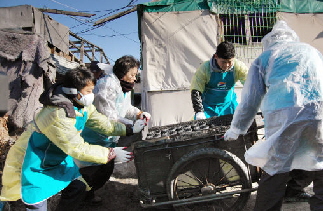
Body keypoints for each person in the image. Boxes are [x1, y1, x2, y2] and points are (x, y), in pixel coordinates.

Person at [0, 67, 145, 211]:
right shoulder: (57, 114)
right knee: (36, 200)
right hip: (32, 160)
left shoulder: (81, 105)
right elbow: (76, 147)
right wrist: (110, 153)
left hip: (55, 157)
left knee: (78, 186)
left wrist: (129, 129)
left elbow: (101, 122)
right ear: (72, 91)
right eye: (88, 91)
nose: (92, 95)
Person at [224, 20, 323, 211]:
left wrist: (236, 129)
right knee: (321, 162)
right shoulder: (311, 51)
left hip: (285, 115)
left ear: (269, 42)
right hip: (320, 112)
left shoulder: (265, 57)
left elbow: (250, 100)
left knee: (276, 166)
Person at [76, 55, 151, 205]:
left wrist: (138, 114)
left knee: (104, 169)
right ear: (123, 73)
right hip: (95, 136)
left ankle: (87, 195)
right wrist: (131, 126)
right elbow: (109, 116)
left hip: (109, 136)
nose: (134, 79)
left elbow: (125, 108)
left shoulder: (124, 87)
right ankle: (80, 198)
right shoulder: (107, 85)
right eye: (132, 75)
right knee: (91, 170)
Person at [190, 40, 248, 120]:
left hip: (229, 106)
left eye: (229, 62)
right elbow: (196, 90)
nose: (226, 65)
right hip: (208, 108)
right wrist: (199, 111)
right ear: (216, 56)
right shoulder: (205, 68)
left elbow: (250, 84)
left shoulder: (238, 67)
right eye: (223, 62)